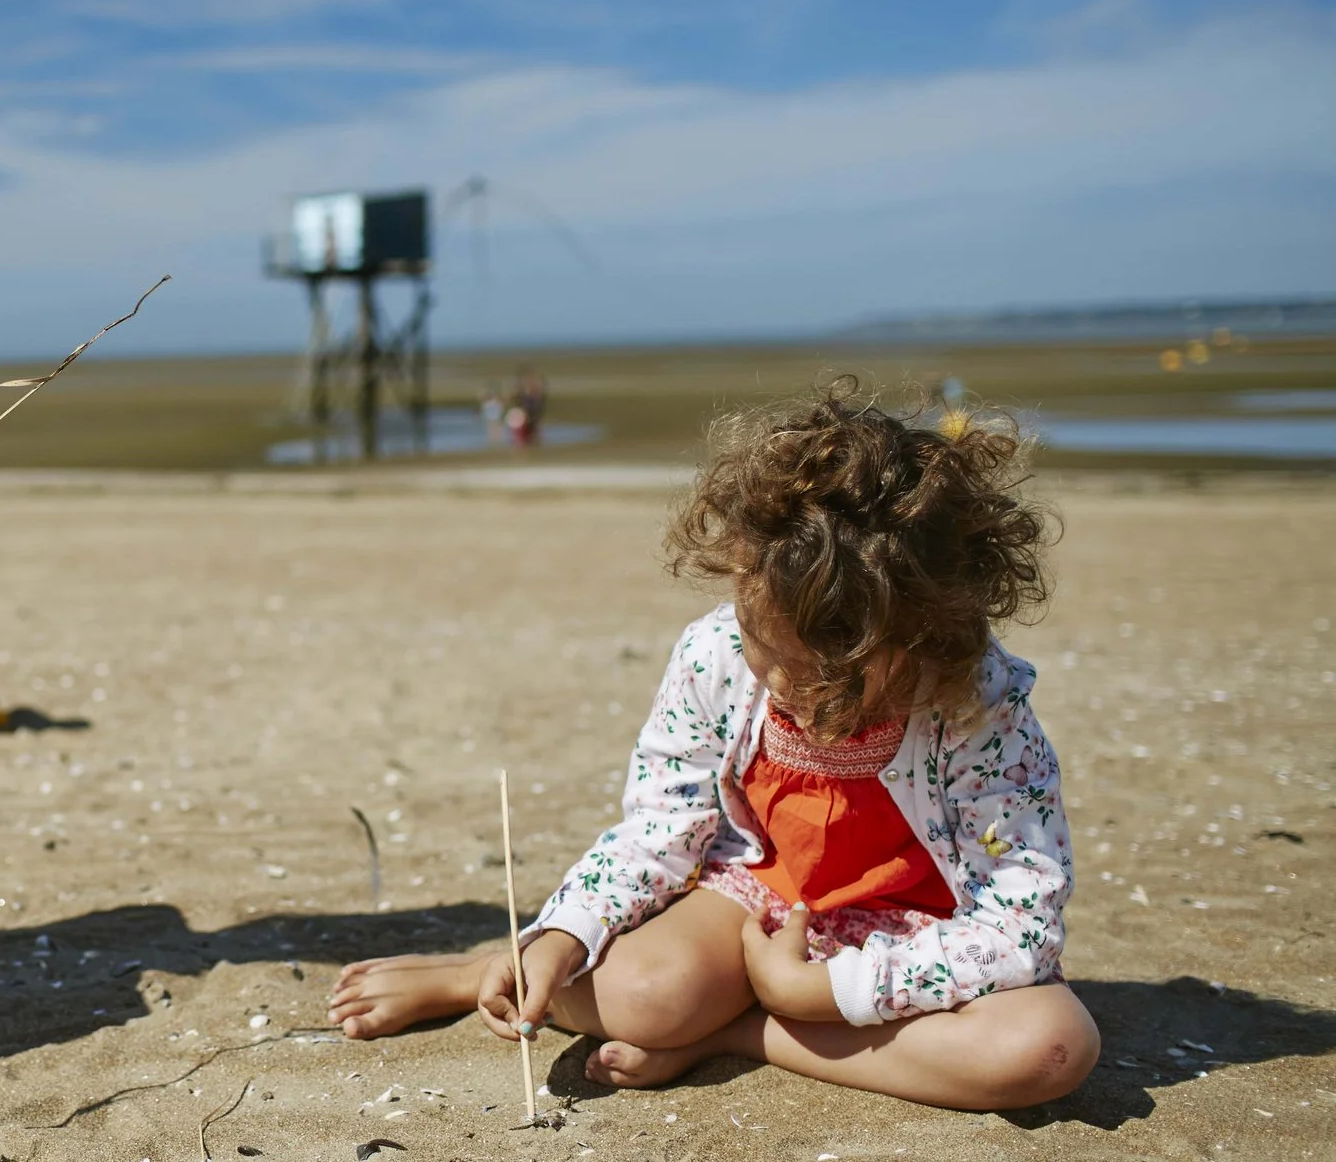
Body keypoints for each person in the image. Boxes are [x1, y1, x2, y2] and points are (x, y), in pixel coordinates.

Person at [328, 390, 1097, 1111]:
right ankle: (489, 970)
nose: (769, 675)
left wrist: (821, 993)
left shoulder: (976, 705)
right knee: (645, 998)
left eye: (809, 674)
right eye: (759, 644)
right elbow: (662, 827)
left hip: (917, 937)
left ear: (913, 640)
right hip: (754, 904)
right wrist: (565, 931)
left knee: (1050, 1049)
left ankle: (740, 1035)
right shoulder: (719, 653)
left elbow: (1021, 926)